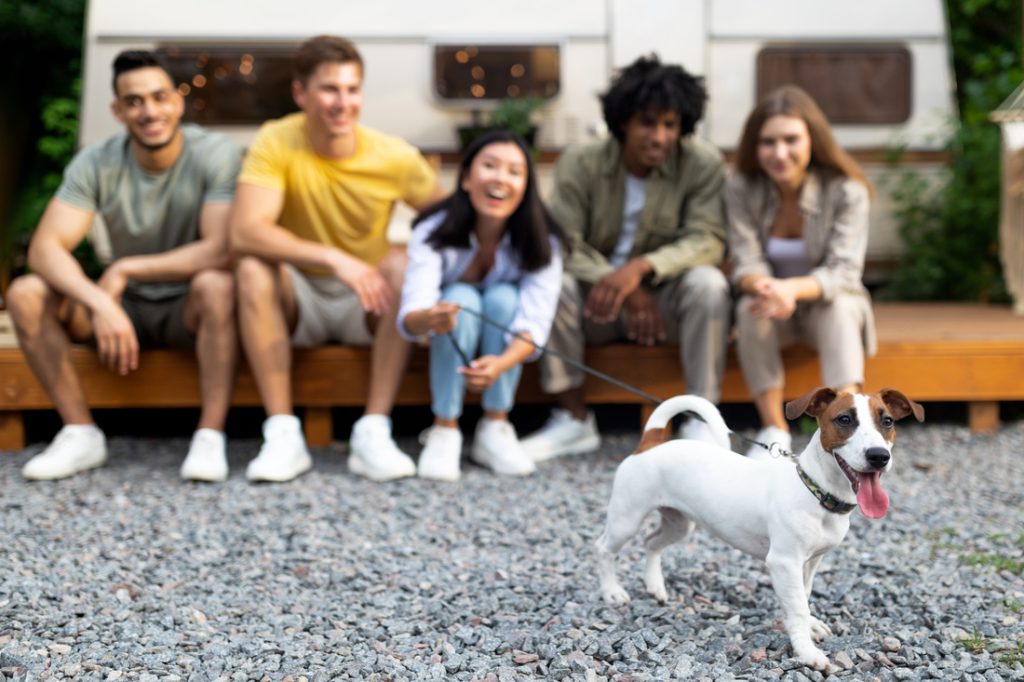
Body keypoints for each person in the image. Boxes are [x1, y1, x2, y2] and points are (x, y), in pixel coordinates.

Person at [6, 50, 243, 481]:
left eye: (159, 97)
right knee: (25, 292)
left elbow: (219, 250)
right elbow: (45, 248)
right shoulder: (97, 161)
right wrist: (100, 300)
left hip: (186, 305)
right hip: (123, 306)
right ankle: (80, 432)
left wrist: (125, 269)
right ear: (117, 111)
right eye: (134, 101)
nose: (149, 111)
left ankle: (210, 435)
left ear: (178, 102)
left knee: (218, 284)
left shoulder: (215, 154)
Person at [230, 34, 444, 483]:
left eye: (351, 89)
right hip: (298, 296)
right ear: (300, 93)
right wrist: (333, 257)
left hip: (367, 301)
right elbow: (245, 231)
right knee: (251, 269)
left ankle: (373, 431)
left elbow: (448, 222)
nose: (341, 102)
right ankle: (283, 434)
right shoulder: (276, 139)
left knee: (401, 265)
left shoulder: (393, 155)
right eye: (329, 89)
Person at [521, 54, 731, 461]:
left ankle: (699, 421)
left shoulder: (702, 164)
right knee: (554, 282)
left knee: (710, 284)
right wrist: (617, 282)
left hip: (665, 305)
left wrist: (641, 270)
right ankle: (572, 418)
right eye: (647, 123)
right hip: (596, 304)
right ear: (622, 122)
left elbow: (708, 239)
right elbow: (562, 243)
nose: (659, 136)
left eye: (670, 125)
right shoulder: (581, 162)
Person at [398, 130, 566, 481]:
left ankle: (496, 426)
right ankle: (444, 427)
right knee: (461, 298)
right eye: (490, 166)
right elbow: (411, 315)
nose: (501, 178)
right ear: (465, 178)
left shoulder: (543, 241)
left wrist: (500, 364)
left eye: (514, 171)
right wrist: (431, 318)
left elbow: (535, 322)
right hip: (449, 333)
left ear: (527, 186)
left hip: (501, 337)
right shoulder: (432, 229)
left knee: (505, 298)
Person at [725, 85, 876, 457]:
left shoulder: (846, 191)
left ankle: (854, 425)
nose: (779, 153)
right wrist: (768, 289)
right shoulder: (741, 187)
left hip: (829, 307)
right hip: (775, 312)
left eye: (791, 139)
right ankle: (773, 427)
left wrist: (790, 289)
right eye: (768, 142)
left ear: (813, 139)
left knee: (839, 306)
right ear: (754, 146)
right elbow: (744, 259)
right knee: (750, 307)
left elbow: (843, 271)